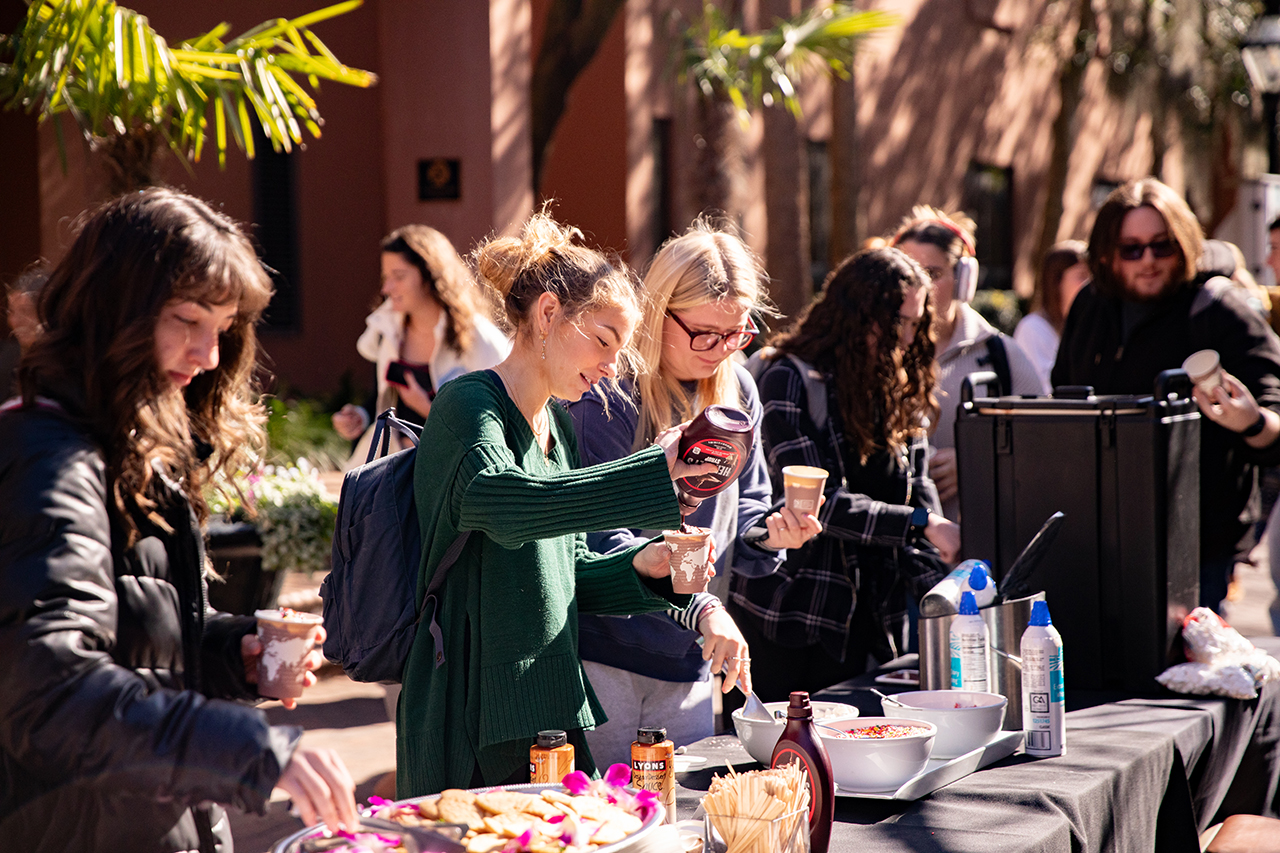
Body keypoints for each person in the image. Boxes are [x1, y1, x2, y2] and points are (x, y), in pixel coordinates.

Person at [0, 188, 358, 851]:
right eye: (187, 319)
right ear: (112, 312)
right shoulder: (49, 456)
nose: (209, 355)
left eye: (221, 328)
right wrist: (252, 749)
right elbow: (51, 694)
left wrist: (229, 654)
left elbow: (132, 646)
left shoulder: (121, 443)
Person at [396, 211, 718, 795]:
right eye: (602, 340)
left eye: (621, 350)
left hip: (553, 708)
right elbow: (506, 505)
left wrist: (643, 569)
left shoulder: (560, 428)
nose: (611, 367)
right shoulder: (467, 406)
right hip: (468, 712)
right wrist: (649, 476)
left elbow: (564, 574)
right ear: (547, 314)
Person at [565, 222, 821, 768]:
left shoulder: (738, 385)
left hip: (691, 657)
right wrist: (702, 609)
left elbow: (744, 507)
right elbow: (603, 536)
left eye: (737, 334)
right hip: (603, 655)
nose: (723, 350)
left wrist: (768, 531)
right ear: (658, 313)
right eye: (706, 333)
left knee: (678, 819)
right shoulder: (607, 392)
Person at [729, 247, 958, 700]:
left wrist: (945, 568)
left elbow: (918, 485)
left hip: (871, 622)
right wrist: (919, 524)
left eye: (916, 324)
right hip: (791, 622)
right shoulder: (785, 377)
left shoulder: (896, 385)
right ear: (859, 314)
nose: (908, 338)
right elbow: (818, 504)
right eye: (899, 323)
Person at [1052, 177, 1280, 612]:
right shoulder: (1090, 305)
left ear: (1184, 242)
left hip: (1195, 549)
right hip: (1098, 538)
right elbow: (1062, 399)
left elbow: (1274, 418)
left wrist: (1250, 421)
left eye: (1163, 245)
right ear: (1107, 252)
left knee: (1188, 677)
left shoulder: (1220, 310)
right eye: (1131, 248)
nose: (1149, 260)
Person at [891, 207, 1046, 521]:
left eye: (932, 274)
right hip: (895, 544)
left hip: (979, 546)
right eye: (907, 274)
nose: (918, 288)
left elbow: (1047, 446)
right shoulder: (869, 356)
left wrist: (977, 462)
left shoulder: (1003, 355)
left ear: (964, 279)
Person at [332, 225, 510, 461]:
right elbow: (384, 398)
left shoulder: (479, 338)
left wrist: (428, 408)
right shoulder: (388, 329)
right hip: (393, 471)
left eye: (399, 276)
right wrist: (361, 416)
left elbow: (499, 420)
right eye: (386, 277)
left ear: (430, 274)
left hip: (450, 473)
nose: (387, 288)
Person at [1013, 240, 1089, 390]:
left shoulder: (1087, 326)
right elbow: (1049, 391)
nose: (1089, 283)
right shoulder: (1032, 329)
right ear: (1056, 281)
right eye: (1082, 275)